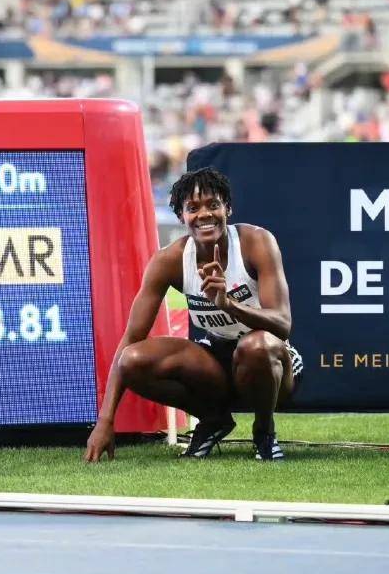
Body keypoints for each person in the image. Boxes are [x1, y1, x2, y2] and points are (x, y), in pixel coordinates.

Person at [84, 167, 302, 463]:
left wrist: (229, 305)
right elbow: (132, 339)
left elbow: (283, 325)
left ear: (228, 208)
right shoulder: (169, 260)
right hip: (218, 356)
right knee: (133, 360)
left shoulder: (256, 242)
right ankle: (213, 420)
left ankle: (264, 431)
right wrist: (105, 420)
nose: (204, 214)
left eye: (213, 204)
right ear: (181, 216)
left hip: (270, 362)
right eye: (192, 208)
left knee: (256, 346)